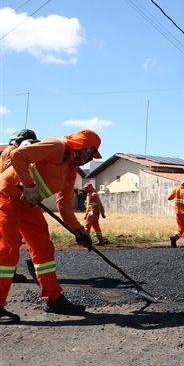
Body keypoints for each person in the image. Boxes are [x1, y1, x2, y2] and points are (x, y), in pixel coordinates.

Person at [0, 129, 102, 324]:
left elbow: (64, 205)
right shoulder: (55, 147)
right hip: (6, 195)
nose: (89, 159)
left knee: (44, 248)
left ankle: (53, 299)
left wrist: (78, 230)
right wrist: (29, 186)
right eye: (90, 152)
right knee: (8, 249)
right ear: (80, 146)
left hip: (28, 203)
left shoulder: (71, 171)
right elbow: (18, 155)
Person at [0, 129, 40, 284]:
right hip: (9, 201)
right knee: (11, 241)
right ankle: (8, 273)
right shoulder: (12, 151)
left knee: (12, 240)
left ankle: (11, 271)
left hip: (11, 199)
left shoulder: (9, 151)